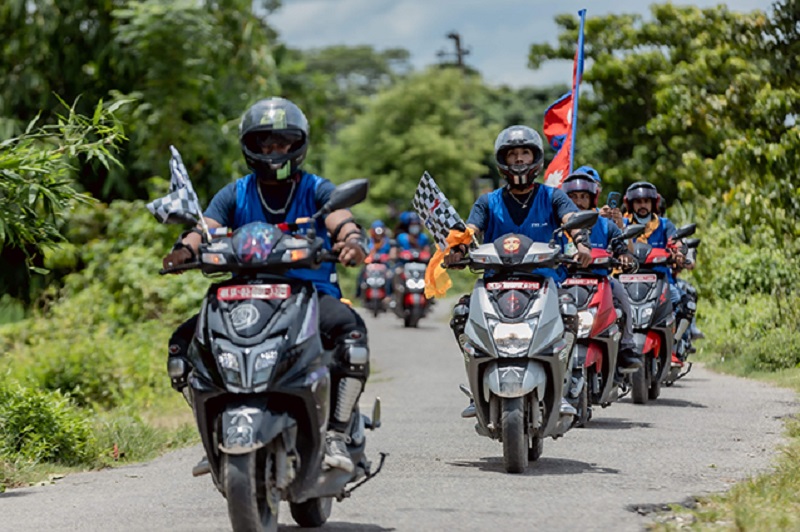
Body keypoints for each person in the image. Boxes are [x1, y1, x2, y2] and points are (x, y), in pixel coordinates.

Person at [162, 97, 369, 473]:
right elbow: (204, 227)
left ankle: (336, 432)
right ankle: (215, 430)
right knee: (182, 347)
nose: (274, 152)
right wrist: (183, 250)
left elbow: (341, 217)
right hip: (242, 296)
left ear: (298, 145)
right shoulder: (235, 192)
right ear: (250, 147)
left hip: (308, 294)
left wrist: (350, 239)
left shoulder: (315, 188)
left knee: (351, 334)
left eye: (283, 142)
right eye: (265, 144)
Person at [444, 125, 593, 418]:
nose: (520, 159)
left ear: (535, 158)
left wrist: (581, 244)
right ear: (503, 161)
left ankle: (562, 384)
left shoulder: (553, 197)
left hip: (543, 281)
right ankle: (477, 387)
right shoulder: (487, 202)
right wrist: (457, 251)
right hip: (494, 283)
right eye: (513, 154)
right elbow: (470, 231)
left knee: (568, 311)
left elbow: (571, 219)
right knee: (460, 315)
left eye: (525, 152)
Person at [561, 168, 642, 371]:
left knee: (622, 297)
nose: (578, 202)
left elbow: (623, 249)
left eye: (583, 197)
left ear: (593, 199)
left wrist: (624, 258)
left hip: (600, 281)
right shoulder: (557, 225)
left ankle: (625, 347)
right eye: (573, 197)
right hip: (563, 281)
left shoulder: (606, 225)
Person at [618, 182, 683, 310]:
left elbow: (675, 241)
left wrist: (679, 252)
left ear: (653, 204)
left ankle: (678, 330)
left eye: (646, 201)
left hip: (660, 279)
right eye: (638, 202)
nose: (642, 205)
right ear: (631, 205)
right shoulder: (623, 224)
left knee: (678, 300)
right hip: (627, 279)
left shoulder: (664, 224)